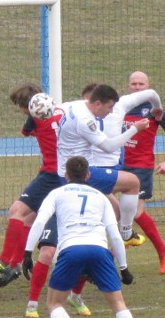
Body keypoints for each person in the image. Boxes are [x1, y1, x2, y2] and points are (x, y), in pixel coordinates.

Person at [22, 156, 150, 318]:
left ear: (66, 176)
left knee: (54, 303)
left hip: (71, 250)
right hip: (99, 251)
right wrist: (124, 267)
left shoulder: (57, 193)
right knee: (119, 304)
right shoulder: (100, 197)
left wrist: (27, 252)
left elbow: (40, 222)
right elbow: (115, 235)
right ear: (88, 175)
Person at [0, 83, 92, 317]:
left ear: (27, 107)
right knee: (25, 217)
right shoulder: (60, 115)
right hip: (55, 174)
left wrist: (31, 115)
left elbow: (25, 131)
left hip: (53, 176)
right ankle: (14, 265)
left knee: (18, 213)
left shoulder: (36, 120)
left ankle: (7, 262)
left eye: (20, 107)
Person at [55, 84, 154, 242]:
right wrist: (135, 128)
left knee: (115, 211)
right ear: (98, 103)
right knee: (133, 182)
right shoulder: (85, 121)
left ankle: (92, 242)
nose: (111, 111)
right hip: (80, 174)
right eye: (109, 107)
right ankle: (126, 232)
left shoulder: (76, 105)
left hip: (68, 170)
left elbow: (55, 109)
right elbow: (109, 147)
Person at [121, 71, 165, 275]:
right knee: (110, 209)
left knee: (136, 212)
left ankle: (163, 251)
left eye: (141, 84)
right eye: (133, 84)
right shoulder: (121, 106)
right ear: (128, 86)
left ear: (149, 86)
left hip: (141, 168)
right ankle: (123, 241)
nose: (137, 87)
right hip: (118, 165)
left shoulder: (155, 109)